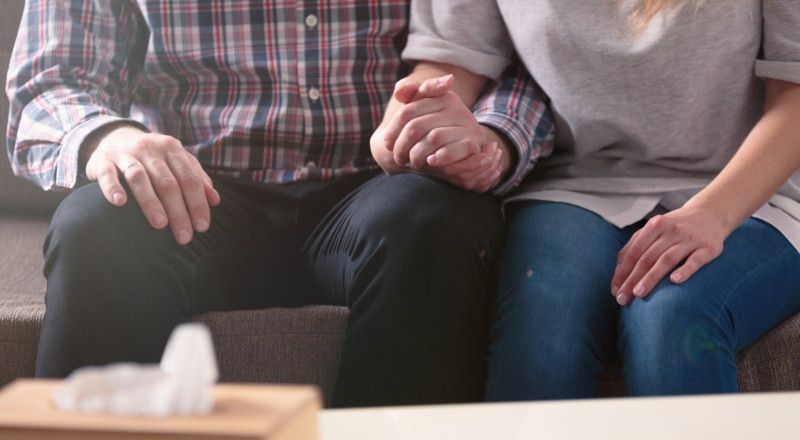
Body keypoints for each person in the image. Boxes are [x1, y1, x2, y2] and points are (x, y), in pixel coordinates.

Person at [5, 1, 553, 407]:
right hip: (197, 190)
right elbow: (51, 80)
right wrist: (109, 138)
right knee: (97, 227)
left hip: (381, 187)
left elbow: (530, 55)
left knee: (433, 219)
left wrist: (490, 138)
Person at [390, 0, 800, 400]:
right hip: (578, 185)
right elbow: (449, 63)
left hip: (763, 192)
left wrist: (711, 214)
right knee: (544, 325)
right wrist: (424, 123)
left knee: (670, 315)